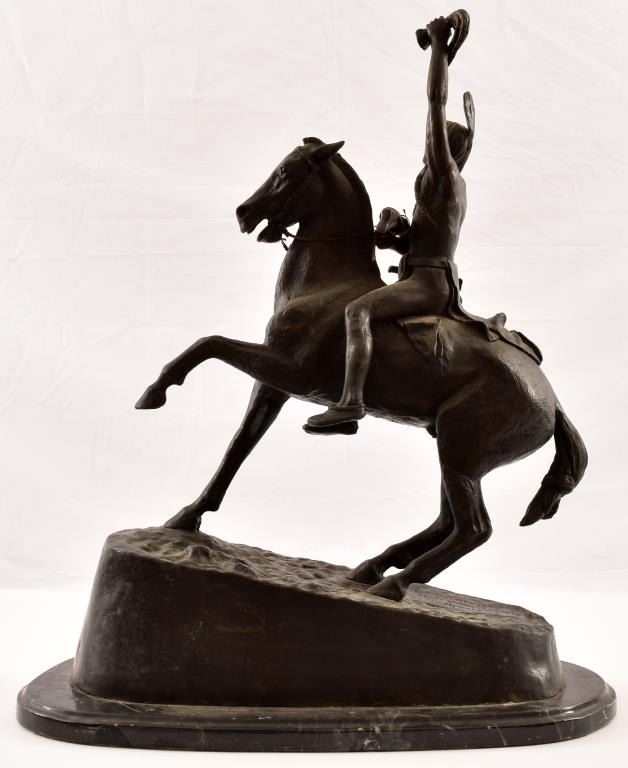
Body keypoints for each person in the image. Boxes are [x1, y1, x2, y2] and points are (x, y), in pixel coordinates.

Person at [306, 16, 475, 431]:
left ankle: (351, 403)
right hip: (425, 273)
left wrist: (439, 48)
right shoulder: (441, 187)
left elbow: (435, 103)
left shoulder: (444, 177)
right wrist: (397, 238)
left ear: (445, 146)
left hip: (429, 284)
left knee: (358, 310)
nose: (429, 140)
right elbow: (429, 242)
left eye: (436, 137)